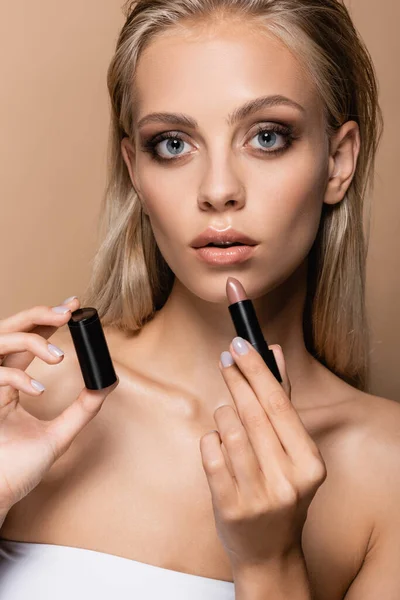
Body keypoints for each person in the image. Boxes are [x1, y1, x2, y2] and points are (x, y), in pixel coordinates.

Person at [0, 0, 398, 597]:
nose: (217, 191)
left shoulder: (387, 472)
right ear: (134, 167)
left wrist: (271, 562)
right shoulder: (34, 401)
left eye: (267, 137)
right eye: (172, 144)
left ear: (337, 161)